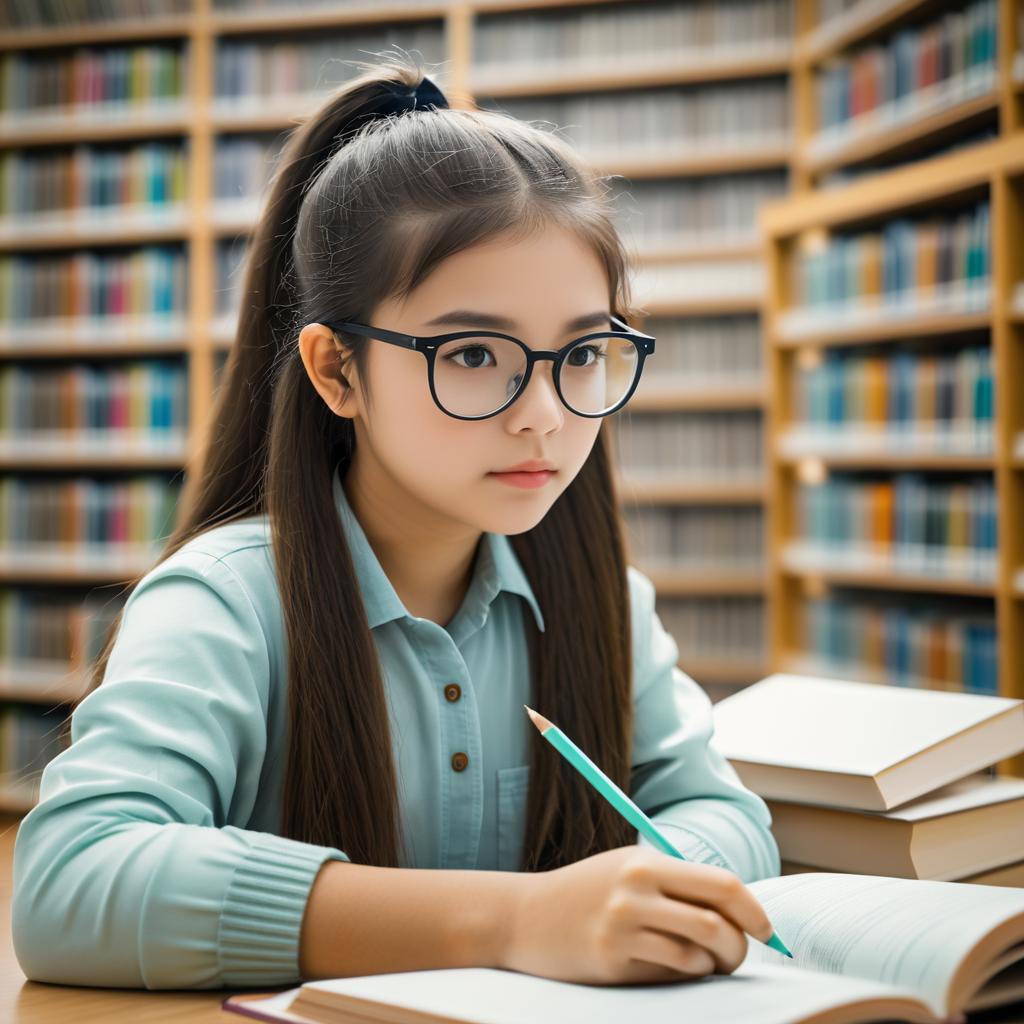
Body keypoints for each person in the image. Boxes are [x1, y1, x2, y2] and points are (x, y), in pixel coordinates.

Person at [10, 50, 780, 993]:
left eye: (582, 352)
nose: (543, 409)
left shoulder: (605, 600)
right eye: (470, 353)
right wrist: (514, 920)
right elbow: (69, 883)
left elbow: (726, 816)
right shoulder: (226, 601)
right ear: (337, 371)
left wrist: (663, 887)